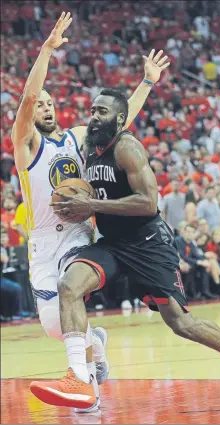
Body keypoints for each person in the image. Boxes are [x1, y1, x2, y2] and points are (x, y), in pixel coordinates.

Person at [30, 88, 220, 408]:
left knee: (181, 323)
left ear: (119, 120)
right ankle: (79, 377)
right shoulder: (88, 149)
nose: (93, 117)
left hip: (149, 244)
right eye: (92, 111)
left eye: (102, 112)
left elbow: (148, 203)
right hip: (114, 244)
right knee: (69, 284)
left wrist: (90, 203)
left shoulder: (127, 147)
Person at [12, 12, 171, 411]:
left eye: (51, 102)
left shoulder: (79, 139)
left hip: (78, 234)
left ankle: (82, 388)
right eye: (40, 104)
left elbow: (122, 119)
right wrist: (47, 50)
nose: (45, 107)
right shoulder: (26, 146)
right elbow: (28, 98)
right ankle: (95, 345)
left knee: (72, 288)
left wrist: (147, 83)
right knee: (53, 325)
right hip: (43, 242)